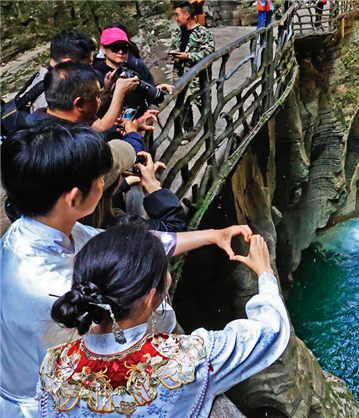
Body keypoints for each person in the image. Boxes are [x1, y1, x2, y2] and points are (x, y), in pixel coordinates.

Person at [0, 121, 254, 417]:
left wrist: (211, 236)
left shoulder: (42, 228)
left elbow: (133, 247)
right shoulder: (53, 288)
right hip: (54, 404)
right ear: (72, 197)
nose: (105, 182)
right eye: (100, 178)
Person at [38, 223, 290, 417]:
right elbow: (271, 330)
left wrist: (212, 234)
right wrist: (265, 273)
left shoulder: (52, 367)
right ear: (150, 299)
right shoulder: (189, 359)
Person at [24, 61, 155, 153]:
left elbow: (95, 128)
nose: (100, 101)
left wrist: (134, 125)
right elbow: (126, 163)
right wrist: (132, 135)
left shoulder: (33, 121)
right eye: (97, 96)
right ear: (79, 104)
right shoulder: (80, 146)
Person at [80, 142, 187, 232]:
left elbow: (107, 193)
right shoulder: (122, 228)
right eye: (121, 173)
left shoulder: (81, 219)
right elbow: (174, 228)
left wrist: (129, 180)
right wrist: (152, 183)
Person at [93, 26, 173, 121]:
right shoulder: (96, 76)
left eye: (125, 48)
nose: (121, 52)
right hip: (114, 131)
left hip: (138, 126)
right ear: (103, 48)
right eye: (115, 47)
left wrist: (155, 88)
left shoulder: (132, 69)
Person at [23, 29, 97, 114]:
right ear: (68, 63)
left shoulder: (61, 79)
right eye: (87, 65)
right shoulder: (47, 96)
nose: (91, 69)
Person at [170, 1, 215, 133]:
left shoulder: (204, 33)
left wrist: (187, 56)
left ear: (187, 15)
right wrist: (174, 54)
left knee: (203, 105)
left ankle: (210, 132)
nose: (176, 18)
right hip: (180, 75)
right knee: (183, 105)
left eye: (177, 15)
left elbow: (208, 53)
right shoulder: (177, 33)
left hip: (198, 78)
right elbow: (174, 47)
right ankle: (188, 131)